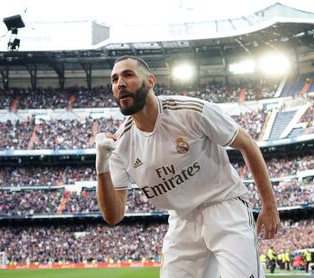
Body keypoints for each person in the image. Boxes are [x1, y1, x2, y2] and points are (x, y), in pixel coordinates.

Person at [95, 55, 280, 278]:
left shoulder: (190, 111)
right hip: (182, 220)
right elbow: (113, 216)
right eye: (114, 80)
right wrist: (102, 166)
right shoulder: (119, 145)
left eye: (128, 75)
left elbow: (247, 144)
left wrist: (269, 205)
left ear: (151, 81)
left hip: (225, 206)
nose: (120, 83)